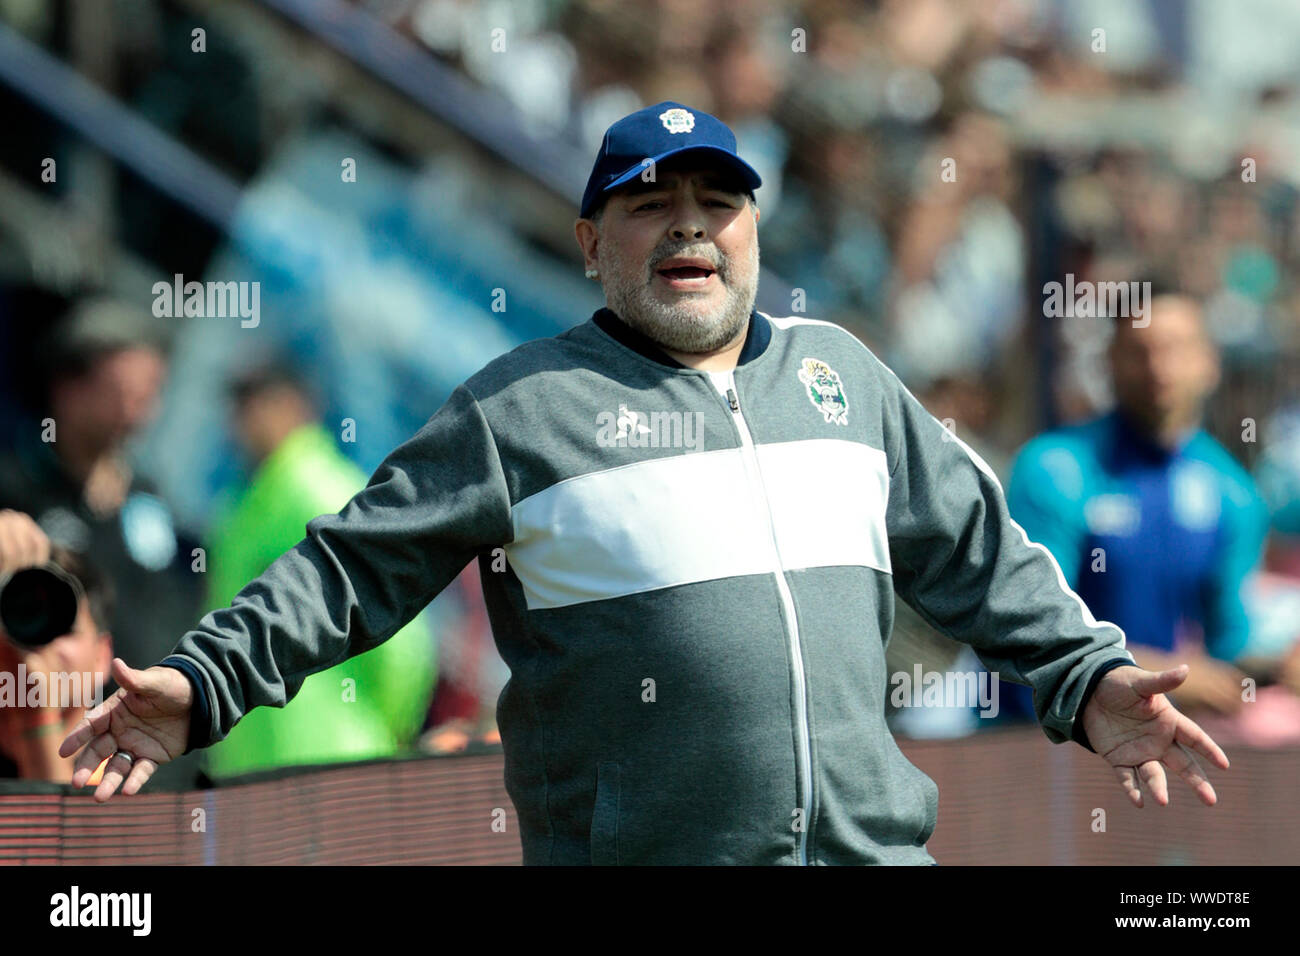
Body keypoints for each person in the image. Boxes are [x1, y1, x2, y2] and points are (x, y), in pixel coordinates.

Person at [61, 102, 1229, 865]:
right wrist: (201, 680)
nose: (691, 227)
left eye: (717, 201)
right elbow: (348, 571)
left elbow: (985, 561)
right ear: (588, 242)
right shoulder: (518, 408)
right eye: (650, 203)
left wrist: (1088, 677)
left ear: (753, 227)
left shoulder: (844, 377)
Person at [1005, 295, 1270, 721]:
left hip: (1152, 740)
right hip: (1038, 744)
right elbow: (1031, 627)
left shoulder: (1233, 492)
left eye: (1175, 350)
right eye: (1139, 352)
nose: (1158, 369)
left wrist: (1273, 668)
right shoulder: (1055, 469)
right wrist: (1162, 672)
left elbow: (1231, 645)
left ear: (1209, 362)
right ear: (1110, 361)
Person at [196, 363, 437, 779]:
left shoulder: (323, 491)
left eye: (256, 405)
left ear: (294, 406)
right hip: (252, 768)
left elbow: (406, 642)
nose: (243, 422)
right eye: (239, 408)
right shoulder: (250, 497)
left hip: (328, 764)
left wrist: (386, 729)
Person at [0, 509, 114, 785]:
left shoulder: (122, 767)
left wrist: (37, 714)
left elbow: (64, 826)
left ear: (102, 656)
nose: (39, 646)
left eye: (63, 629)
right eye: (23, 621)